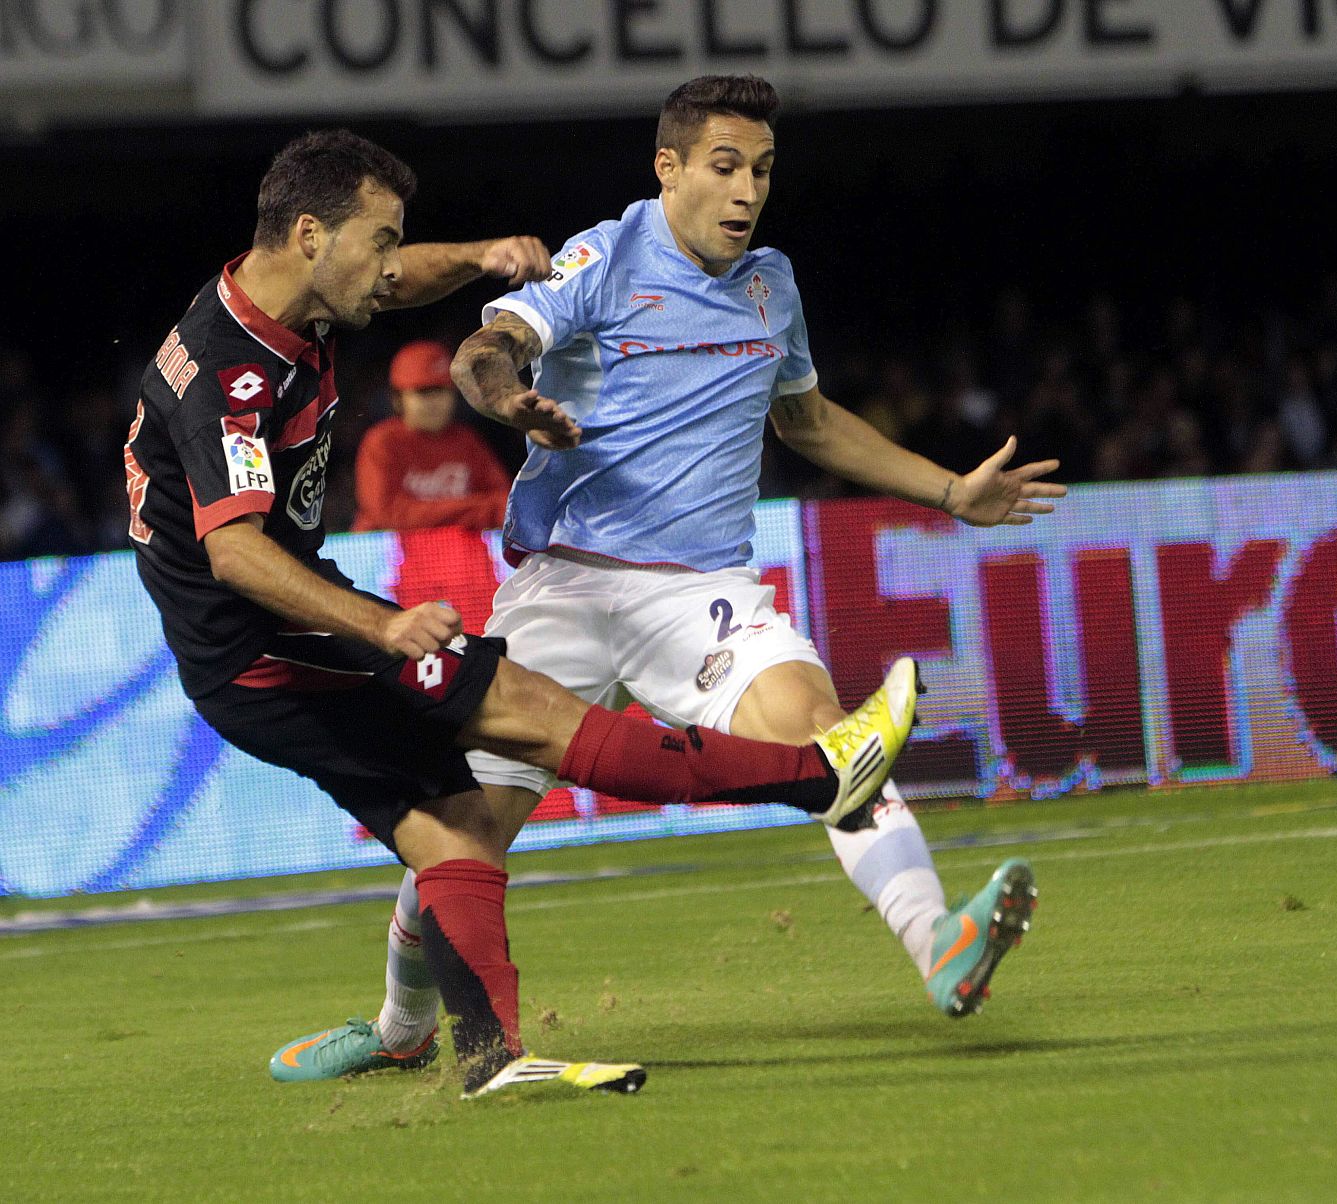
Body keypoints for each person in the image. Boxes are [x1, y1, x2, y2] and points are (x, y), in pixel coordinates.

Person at [278, 75, 1058, 1086]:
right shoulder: (604, 257)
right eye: (725, 167)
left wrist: (950, 491)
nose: (747, 191)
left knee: (826, 734)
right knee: (462, 827)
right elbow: (484, 349)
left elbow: (807, 422)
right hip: (564, 587)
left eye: (763, 170)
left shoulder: (772, 285)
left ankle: (938, 940)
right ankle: (400, 1026)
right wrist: (510, 399)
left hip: (700, 594)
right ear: (669, 168)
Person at [122, 128, 919, 1098]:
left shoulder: (287, 293)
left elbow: (394, 282)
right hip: (269, 641)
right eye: (381, 239)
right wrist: (381, 627)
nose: (391, 265)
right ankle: (821, 776)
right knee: (534, 714)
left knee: (454, 824)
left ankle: (486, 1057)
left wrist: (478, 256)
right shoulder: (232, 373)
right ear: (309, 235)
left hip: (252, 650)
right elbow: (235, 551)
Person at [353, 339, 511, 533]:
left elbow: (506, 505)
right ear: (398, 398)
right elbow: (389, 514)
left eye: (441, 390)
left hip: (455, 549)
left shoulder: (466, 440)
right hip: (388, 549)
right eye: (423, 392)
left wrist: (432, 513)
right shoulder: (382, 441)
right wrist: (479, 509)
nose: (434, 402)